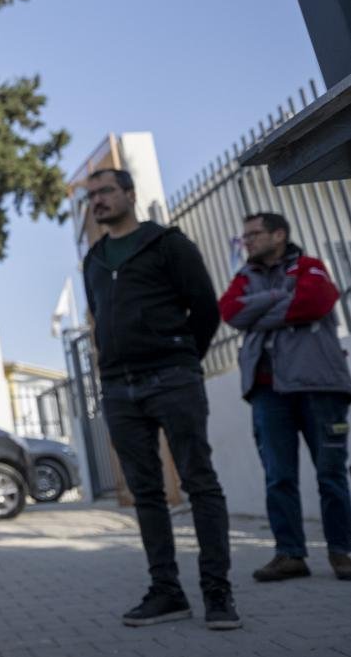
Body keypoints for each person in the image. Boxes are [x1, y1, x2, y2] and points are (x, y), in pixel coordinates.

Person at [81, 168, 240, 630]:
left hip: (173, 378)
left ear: (130, 194)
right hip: (119, 388)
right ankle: (167, 592)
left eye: (106, 191)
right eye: (91, 196)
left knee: (200, 482)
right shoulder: (94, 260)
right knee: (145, 493)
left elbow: (206, 308)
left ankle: (217, 592)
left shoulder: (168, 244)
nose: (97, 201)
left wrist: (184, 358)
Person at [218, 212, 351, 582]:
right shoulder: (244, 277)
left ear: (279, 234)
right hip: (268, 391)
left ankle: (344, 552)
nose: (247, 241)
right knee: (278, 477)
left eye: (255, 234)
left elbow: (315, 303)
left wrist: (260, 310)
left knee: (332, 474)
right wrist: (279, 298)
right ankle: (290, 555)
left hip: (319, 386)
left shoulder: (310, 266)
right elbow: (230, 311)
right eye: (244, 236)